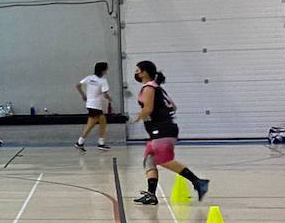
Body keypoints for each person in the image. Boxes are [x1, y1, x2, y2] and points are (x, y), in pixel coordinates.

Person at [131, 60, 208, 206]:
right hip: (163, 128)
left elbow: (148, 109)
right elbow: (173, 106)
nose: (136, 72)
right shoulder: (157, 87)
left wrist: (136, 118)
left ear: (144, 72)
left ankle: (198, 182)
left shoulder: (149, 88)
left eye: (137, 70)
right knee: (149, 160)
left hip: (162, 129)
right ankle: (151, 195)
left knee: (163, 160)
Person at [76, 61, 112, 152]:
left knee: (103, 121)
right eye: (106, 68)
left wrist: (83, 95)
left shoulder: (89, 78)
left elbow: (78, 85)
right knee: (90, 124)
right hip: (95, 105)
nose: (107, 70)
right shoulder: (103, 81)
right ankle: (80, 142)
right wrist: (109, 98)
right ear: (103, 70)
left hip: (90, 104)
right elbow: (105, 94)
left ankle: (101, 143)